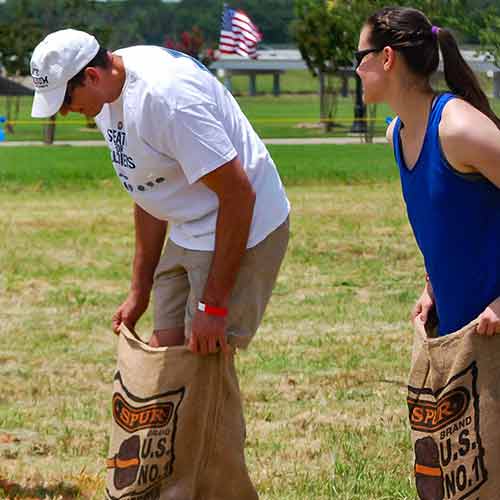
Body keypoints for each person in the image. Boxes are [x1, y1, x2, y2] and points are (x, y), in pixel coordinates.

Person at [30, 29, 289, 497]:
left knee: (206, 363)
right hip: (191, 224)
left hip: (243, 226)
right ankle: (166, 478)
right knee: (165, 358)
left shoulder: (167, 101)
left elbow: (238, 195)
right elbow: (145, 190)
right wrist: (139, 289)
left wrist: (213, 305)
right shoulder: (109, 96)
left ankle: (218, 488)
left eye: (66, 101)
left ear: (91, 75)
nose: (66, 112)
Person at [356, 6, 500, 337]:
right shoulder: (397, 135)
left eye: (361, 56)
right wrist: (433, 286)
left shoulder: (459, 129)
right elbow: (451, 226)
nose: (358, 69)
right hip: (463, 336)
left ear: (387, 57)